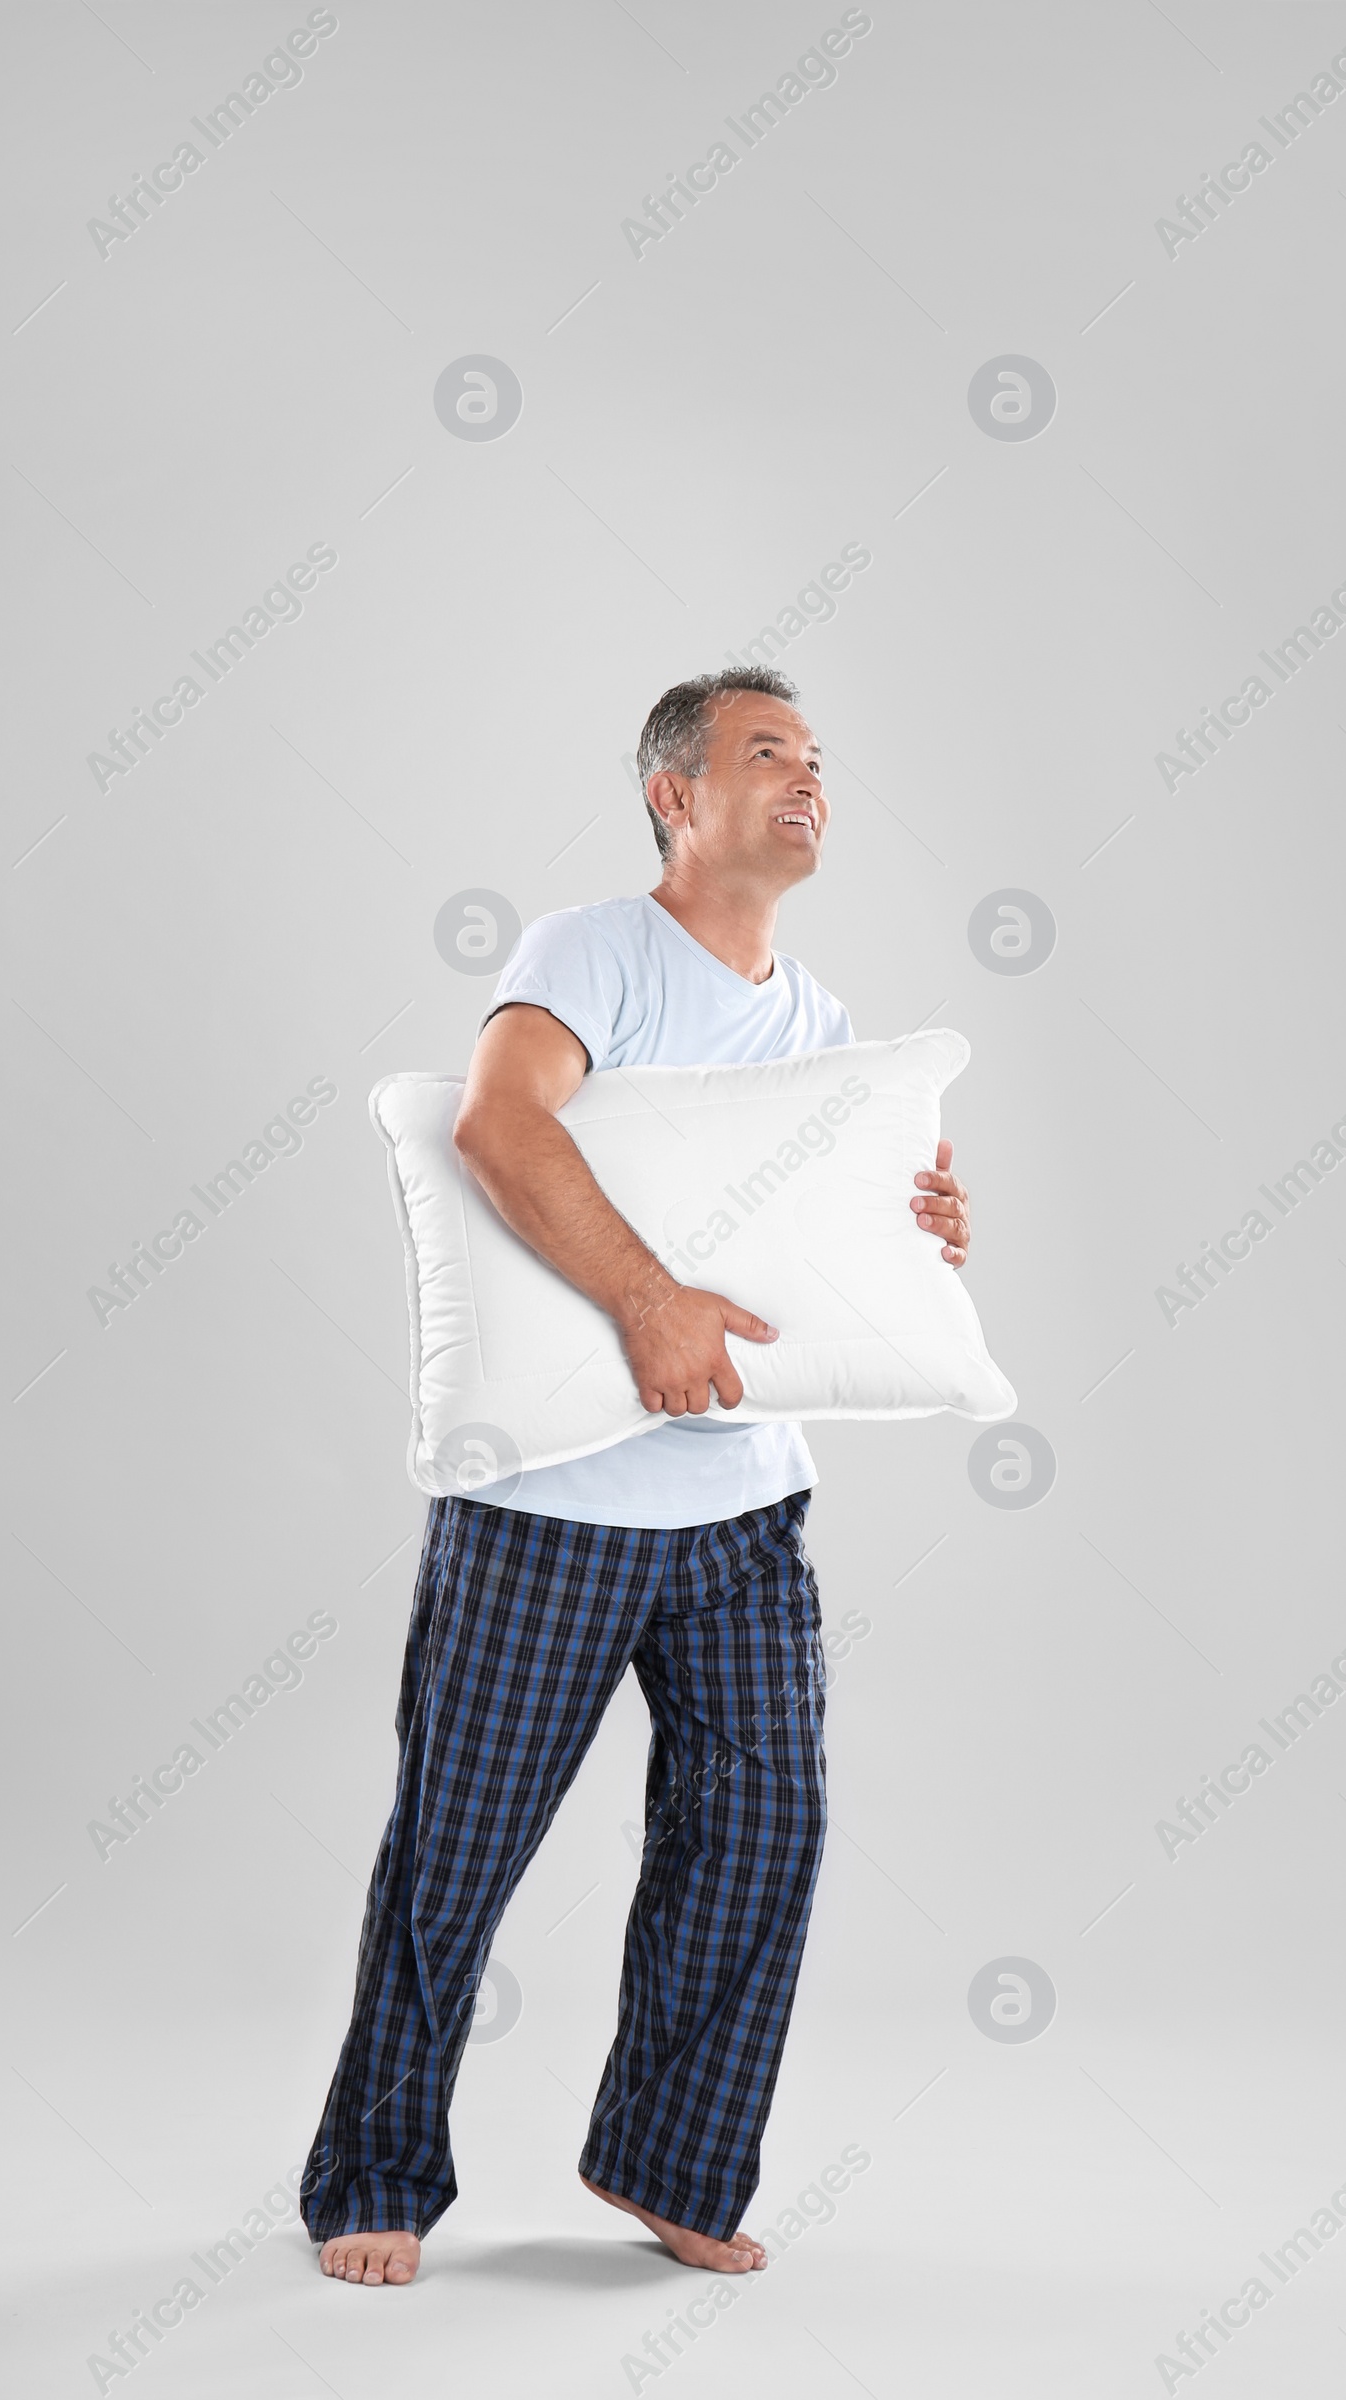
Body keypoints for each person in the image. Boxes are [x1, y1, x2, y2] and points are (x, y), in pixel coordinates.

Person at [302, 667, 972, 2286]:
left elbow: (812, 1239)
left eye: (819, 760)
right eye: (766, 755)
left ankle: (669, 2162)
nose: (809, 781)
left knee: (764, 1831)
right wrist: (649, 1306)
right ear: (675, 794)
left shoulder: (814, 1017)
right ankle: (374, 2179)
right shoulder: (590, 953)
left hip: (743, 1507)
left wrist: (919, 1236)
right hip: (550, 1514)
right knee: (456, 1849)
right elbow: (501, 1128)